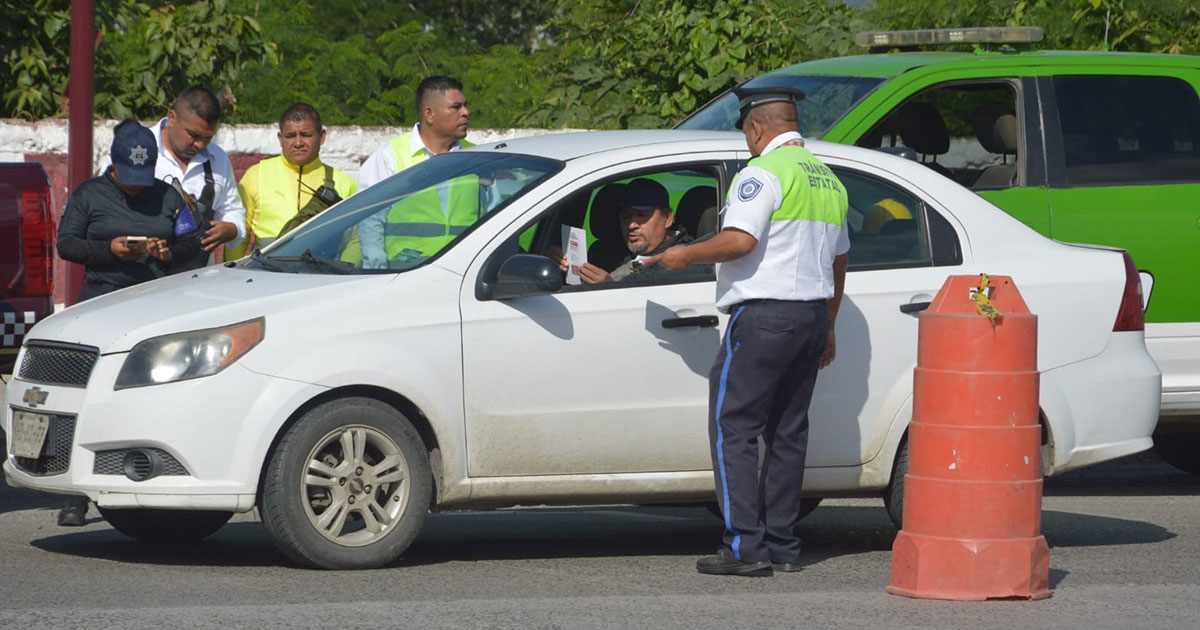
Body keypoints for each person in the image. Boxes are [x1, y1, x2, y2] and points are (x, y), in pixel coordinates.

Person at [643, 86, 850, 576]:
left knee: (733, 429)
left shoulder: (761, 174)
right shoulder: (829, 181)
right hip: (811, 316)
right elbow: (840, 260)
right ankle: (782, 545)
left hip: (764, 320)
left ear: (756, 127)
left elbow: (739, 240)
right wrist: (831, 324)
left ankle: (744, 548)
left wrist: (683, 254)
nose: (747, 141)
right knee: (788, 433)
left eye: (745, 132)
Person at [54, 120, 202, 526]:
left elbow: (194, 243)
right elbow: (67, 243)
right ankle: (75, 496)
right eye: (129, 178)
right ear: (114, 165)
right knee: (86, 400)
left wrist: (168, 252)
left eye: (144, 177)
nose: (137, 187)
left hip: (156, 307)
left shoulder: (169, 195)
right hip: (101, 302)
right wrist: (110, 250)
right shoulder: (89, 194)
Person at [98, 87, 247, 269]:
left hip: (198, 277)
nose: (199, 144)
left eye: (208, 138)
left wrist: (232, 229)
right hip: (138, 274)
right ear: (172, 118)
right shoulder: (132, 148)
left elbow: (232, 207)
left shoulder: (218, 158)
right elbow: (103, 203)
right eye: (193, 135)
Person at [355, 76, 473, 269]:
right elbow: (370, 220)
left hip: (462, 276)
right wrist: (376, 272)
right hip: (405, 276)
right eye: (456, 107)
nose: (465, 113)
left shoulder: (477, 156)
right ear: (430, 114)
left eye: (465, 106)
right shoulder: (390, 156)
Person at [225, 103, 357, 259]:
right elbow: (239, 236)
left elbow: (354, 241)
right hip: (267, 276)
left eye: (306, 135)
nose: (298, 143)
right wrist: (236, 276)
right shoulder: (256, 175)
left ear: (322, 137)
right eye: (290, 136)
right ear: (280, 138)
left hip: (324, 278)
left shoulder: (344, 184)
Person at [549, 178, 693, 283]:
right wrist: (560, 268)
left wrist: (609, 288)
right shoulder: (606, 253)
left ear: (667, 218)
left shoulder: (685, 260)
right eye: (626, 216)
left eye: (641, 215)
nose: (631, 225)